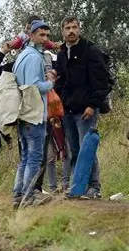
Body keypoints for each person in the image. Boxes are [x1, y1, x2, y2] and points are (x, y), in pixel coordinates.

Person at [55, 16, 111, 199]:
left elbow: (102, 81)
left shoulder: (90, 51)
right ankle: (78, 186)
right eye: (67, 28)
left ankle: (94, 187)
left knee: (88, 148)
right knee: (75, 150)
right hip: (67, 110)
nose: (71, 31)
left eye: (74, 27)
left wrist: (92, 104)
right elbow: (61, 81)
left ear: (79, 29)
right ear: (62, 31)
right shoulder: (62, 53)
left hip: (86, 109)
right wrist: (59, 106)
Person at [12, 19, 56, 208]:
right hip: (33, 113)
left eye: (47, 35)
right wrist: (51, 82)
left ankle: (18, 195)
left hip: (24, 113)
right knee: (34, 158)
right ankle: (27, 197)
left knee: (26, 158)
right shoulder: (34, 57)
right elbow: (34, 86)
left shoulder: (22, 55)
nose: (45, 38)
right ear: (31, 34)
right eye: (41, 34)